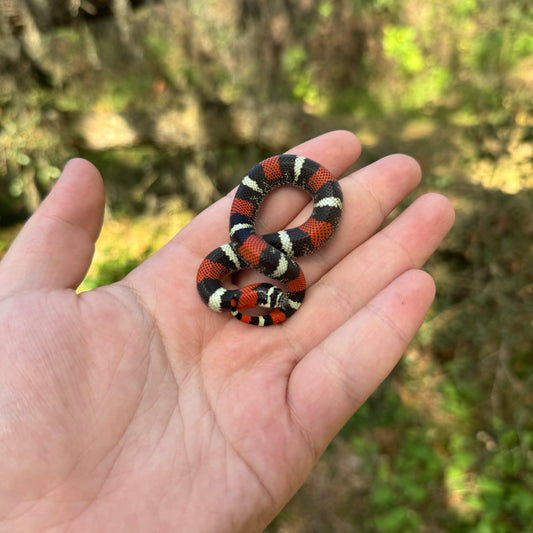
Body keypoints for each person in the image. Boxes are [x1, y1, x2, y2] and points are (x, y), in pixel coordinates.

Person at [0, 131, 454, 532]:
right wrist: (269, 298)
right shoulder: (233, 289)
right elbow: (258, 279)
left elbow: (255, 257)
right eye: (273, 296)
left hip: (245, 261)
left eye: (271, 297)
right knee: (267, 244)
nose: (271, 297)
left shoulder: (229, 276)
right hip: (240, 278)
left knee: (279, 223)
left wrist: (260, 268)